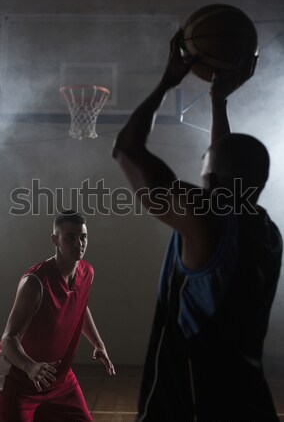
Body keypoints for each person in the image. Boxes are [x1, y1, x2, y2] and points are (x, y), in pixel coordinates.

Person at [112, 30, 282, 421]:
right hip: (247, 400)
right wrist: (218, 101)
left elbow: (127, 148)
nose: (201, 167)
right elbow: (226, 165)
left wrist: (167, 82)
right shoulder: (267, 231)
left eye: (205, 165)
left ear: (211, 181)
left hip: (191, 404)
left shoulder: (205, 219)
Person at [0, 210, 115, 422]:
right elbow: (8, 339)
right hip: (17, 379)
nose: (79, 243)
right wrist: (31, 367)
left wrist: (98, 343)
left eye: (83, 237)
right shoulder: (35, 283)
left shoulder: (87, 272)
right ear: (55, 239)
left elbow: (79, 307)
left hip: (58, 379)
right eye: (71, 238)